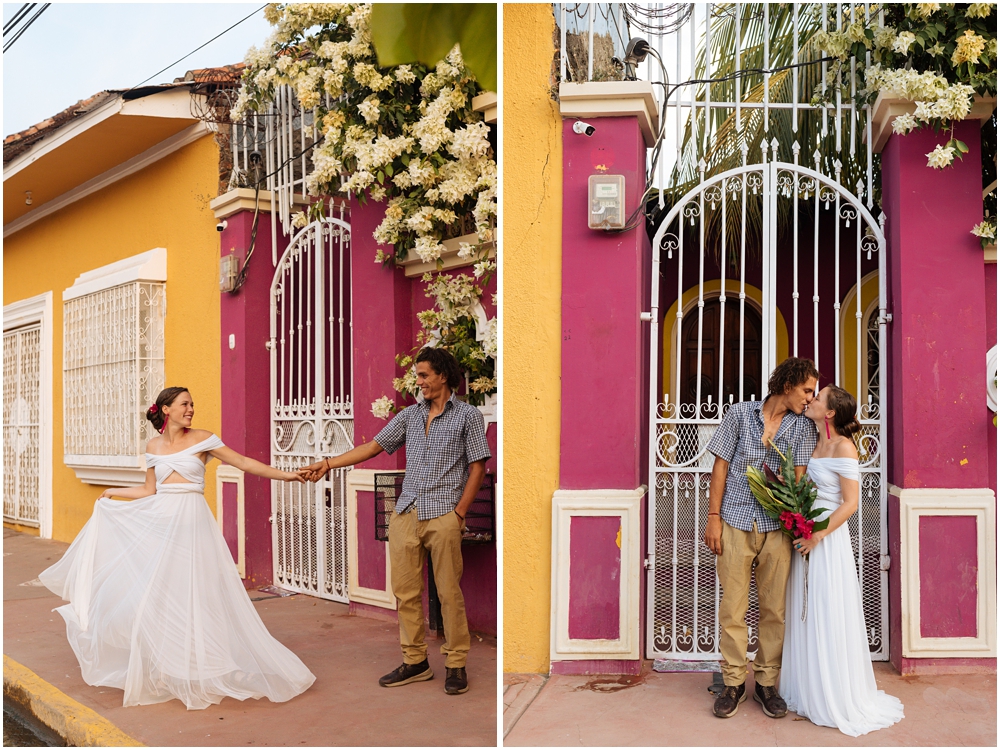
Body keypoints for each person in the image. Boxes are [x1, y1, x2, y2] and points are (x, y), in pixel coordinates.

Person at [39, 387, 315, 710]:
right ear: (167, 409)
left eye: (193, 404)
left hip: (194, 528)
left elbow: (244, 463)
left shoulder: (205, 439)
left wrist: (289, 476)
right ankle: (167, 668)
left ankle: (211, 665)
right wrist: (113, 491)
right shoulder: (153, 446)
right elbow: (148, 490)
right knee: (158, 597)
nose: (191, 409)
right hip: (162, 527)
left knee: (200, 595)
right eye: (185, 404)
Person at [299, 347, 490, 695]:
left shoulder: (468, 416)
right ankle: (415, 661)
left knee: (449, 592)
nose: (418, 382)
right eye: (417, 375)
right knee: (405, 592)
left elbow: (478, 465)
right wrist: (327, 464)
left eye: (423, 375)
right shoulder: (409, 417)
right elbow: (373, 447)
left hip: (444, 512)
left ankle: (456, 663)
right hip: (406, 511)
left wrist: (460, 512)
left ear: (442, 376)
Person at [780, 384, 904, 736]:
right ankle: (807, 688)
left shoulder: (844, 447)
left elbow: (850, 504)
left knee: (826, 607)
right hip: (805, 532)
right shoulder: (816, 441)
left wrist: (817, 534)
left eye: (818, 398)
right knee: (805, 608)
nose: (812, 400)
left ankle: (832, 694)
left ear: (831, 412)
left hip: (827, 540)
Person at [704, 357, 819, 719]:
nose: (810, 398)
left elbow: (799, 478)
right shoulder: (740, 414)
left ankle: (767, 683)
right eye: (806, 390)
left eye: (814, 393)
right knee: (733, 608)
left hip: (776, 529)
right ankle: (734, 683)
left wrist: (799, 521)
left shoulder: (802, 428)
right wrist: (713, 518)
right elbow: (720, 466)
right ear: (787, 385)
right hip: (736, 521)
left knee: (774, 610)